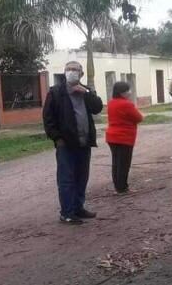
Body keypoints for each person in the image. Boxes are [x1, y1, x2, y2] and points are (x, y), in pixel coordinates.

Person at [43, 61, 104, 225]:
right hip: (66, 145)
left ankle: (78, 207)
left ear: (81, 74)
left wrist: (86, 93)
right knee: (66, 179)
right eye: (68, 69)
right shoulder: (56, 92)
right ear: (64, 73)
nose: (71, 72)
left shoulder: (86, 90)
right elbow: (48, 119)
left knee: (82, 177)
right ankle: (67, 213)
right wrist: (58, 138)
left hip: (84, 142)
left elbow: (97, 108)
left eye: (75, 70)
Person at [105, 81, 143, 193]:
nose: (129, 92)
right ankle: (123, 187)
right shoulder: (126, 104)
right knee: (124, 164)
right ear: (122, 93)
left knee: (116, 162)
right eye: (127, 90)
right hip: (124, 137)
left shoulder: (111, 103)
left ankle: (118, 186)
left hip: (112, 136)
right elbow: (138, 118)